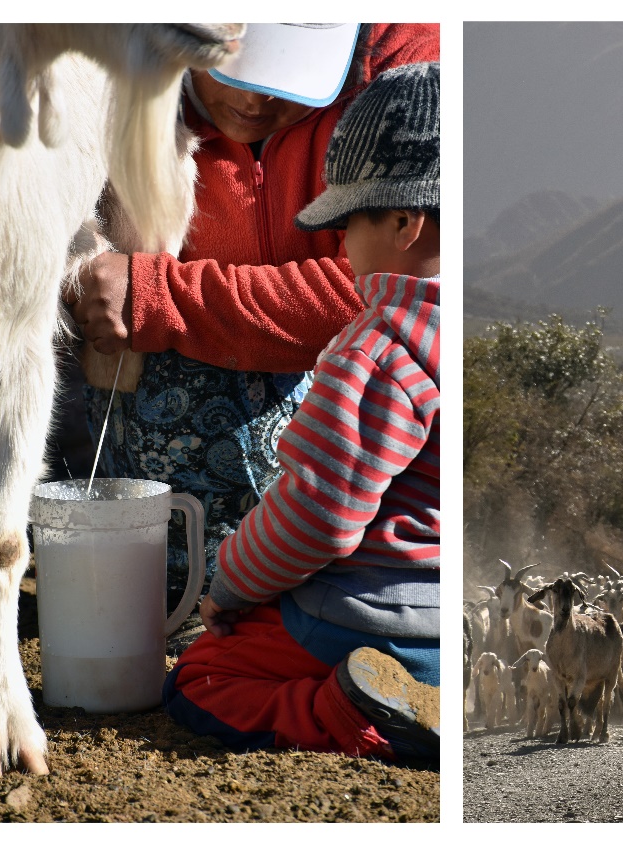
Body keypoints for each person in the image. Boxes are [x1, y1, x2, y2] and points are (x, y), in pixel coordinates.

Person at [66, 24, 439, 597]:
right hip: (161, 386)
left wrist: (161, 296)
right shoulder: (116, 55)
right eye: (229, 70)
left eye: (285, 81)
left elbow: (384, 288)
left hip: (340, 414)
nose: (253, 100)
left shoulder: (411, 75)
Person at [162, 61, 441, 763]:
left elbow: (317, 512)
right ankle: (424, 696)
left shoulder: (375, 350)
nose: (339, 246)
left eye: (344, 223)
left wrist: (229, 582)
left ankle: (343, 712)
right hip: (444, 617)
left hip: (357, 610)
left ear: (404, 222)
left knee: (200, 678)